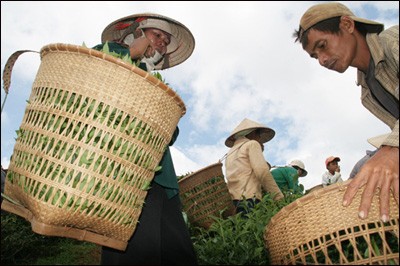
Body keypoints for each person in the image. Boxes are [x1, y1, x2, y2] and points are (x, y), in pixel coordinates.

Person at [94, 13, 197, 265]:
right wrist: (130, 53)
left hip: (161, 177)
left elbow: (170, 135)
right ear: (137, 32)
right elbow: (95, 78)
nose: (161, 43)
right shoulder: (108, 53)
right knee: (132, 249)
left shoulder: (156, 81)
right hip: (124, 172)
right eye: (157, 35)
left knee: (178, 252)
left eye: (165, 40)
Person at [294, 2, 399, 222]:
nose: (322, 60)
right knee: (362, 170)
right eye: (315, 56)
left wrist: (391, 149)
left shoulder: (393, 42)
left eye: (322, 45)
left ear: (348, 24)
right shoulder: (367, 93)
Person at [224, 118, 284, 215]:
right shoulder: (252, 144)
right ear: (252, 133)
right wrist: (278, 197)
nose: (260, 139)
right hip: (249, 199)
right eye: (259, 134)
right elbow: (262, 172)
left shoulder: (230, 153)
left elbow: (244, 169)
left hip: (233, 201)